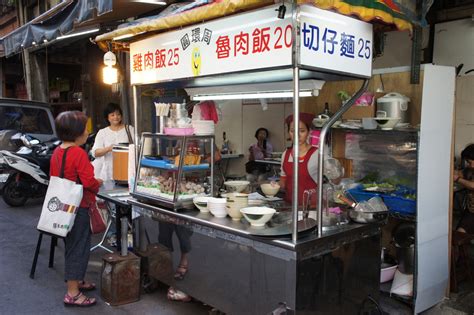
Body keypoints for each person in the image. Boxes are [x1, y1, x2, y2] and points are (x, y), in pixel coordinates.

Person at [51, 111, 102, 307]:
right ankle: (72, 293)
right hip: (79, 207)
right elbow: (89, 181)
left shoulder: (58, 151)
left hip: (63, 206)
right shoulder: (78, 153)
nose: (88, 132)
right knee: (78, 248)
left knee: (72, 245)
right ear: (77, 132)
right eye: (85, 128)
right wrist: (98, 182)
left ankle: (78, 281)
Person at [279, 113, 319, 205]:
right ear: (289, 132)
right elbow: (283, 181)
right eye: (293, 131)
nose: (297, 135)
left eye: (302, 131)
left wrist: (335, 171)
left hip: (312, 208)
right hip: (290, 206)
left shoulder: (317, 154)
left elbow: (335, 181)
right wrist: (275, 186)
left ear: (308, 132)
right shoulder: (286, 154)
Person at [91, 103, 134, 181]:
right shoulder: (102, 132)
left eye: (118, 114)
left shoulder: (129, 129)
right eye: (112, 115)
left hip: (126, 170)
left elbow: (137, 147)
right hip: (108, 172)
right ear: (107, 117)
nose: (116, 117)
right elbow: (95, 153)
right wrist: (109, 148)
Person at [453, 144, 474, 234]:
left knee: (460, 234)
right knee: (459, 233)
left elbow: (473, 186)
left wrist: (457, 179)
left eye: (469, 162)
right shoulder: (470, 170)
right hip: (471, 210)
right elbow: (458, 173)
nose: (469, 165)